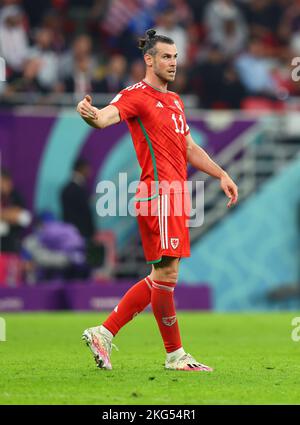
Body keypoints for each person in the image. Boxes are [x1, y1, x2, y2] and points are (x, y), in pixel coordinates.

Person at [77, 29, 238, 372]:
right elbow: (105, 117)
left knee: (164, 275)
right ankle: (174, 355)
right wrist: (91, 115)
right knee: (166, 273)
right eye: (166, 56)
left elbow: (190, 148)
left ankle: (105, 333)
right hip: (158, 194)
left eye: (176, 57)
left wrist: (221, 174)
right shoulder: (135, 95)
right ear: (149, 59)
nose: (173, 63)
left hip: (175, 195)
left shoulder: (176, 101)